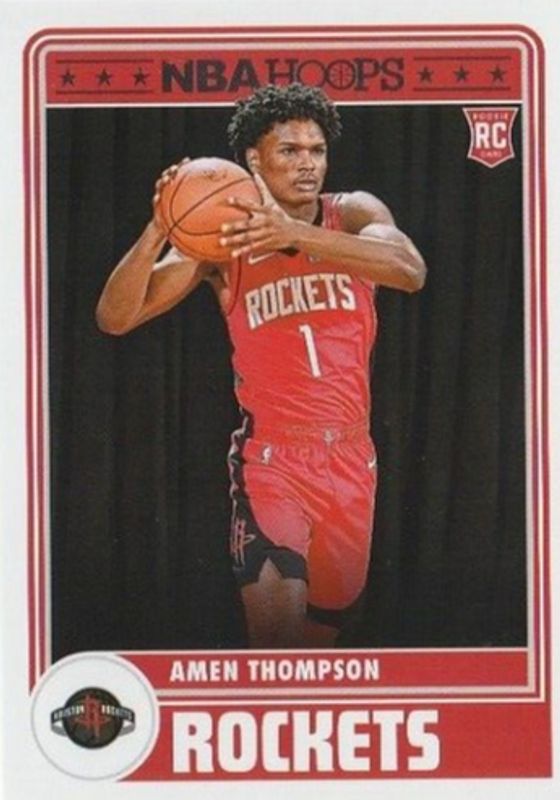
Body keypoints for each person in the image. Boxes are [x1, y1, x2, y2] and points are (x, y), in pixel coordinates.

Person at [96, 83, 426, 649]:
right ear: (254, 159)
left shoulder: (352, 213)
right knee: (278, 638)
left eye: (316, 150)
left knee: (321, 641)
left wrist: (296, 234)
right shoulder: (223, 241)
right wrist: (160, 227)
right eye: (289, 151)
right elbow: (115, 317)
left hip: (351, 459)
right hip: (274, 462)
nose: (307, 164)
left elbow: (410, 269)